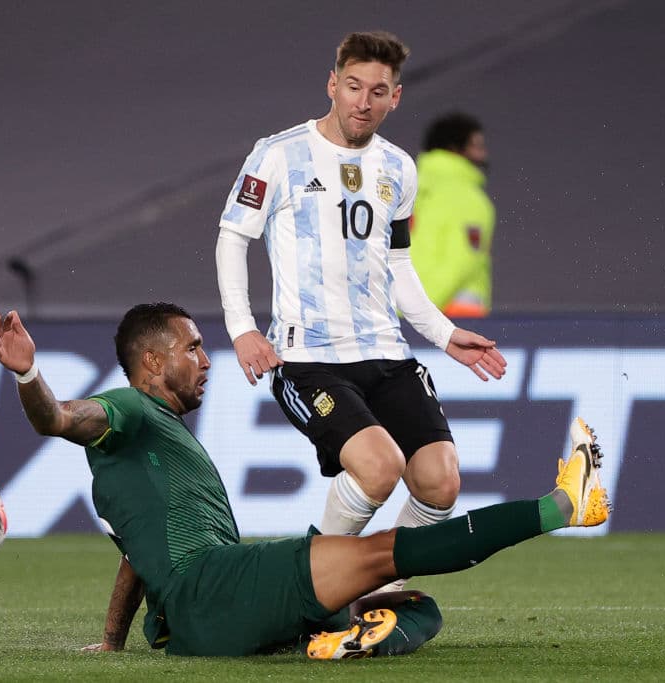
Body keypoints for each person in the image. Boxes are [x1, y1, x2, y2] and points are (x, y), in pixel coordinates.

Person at [0, 304, 609, 658]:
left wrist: (112, 642)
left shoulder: (156, 443)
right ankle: (561, 506)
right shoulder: (128, 407)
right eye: (193, 347)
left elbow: (136, 555)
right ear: (152, 360)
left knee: (415, 605)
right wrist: (27, 375)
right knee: (388, 553)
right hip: (217, 588)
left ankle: (349, 642)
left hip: (213, 610)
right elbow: (58, 418)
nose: (205, 360)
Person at [215, 31, 506, 578]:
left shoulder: (399, 168)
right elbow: (233, 237)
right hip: (310, 359)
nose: (363, 102)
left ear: (395, 97)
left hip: (386, 353)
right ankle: (309, 586)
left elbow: (398, 266)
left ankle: (376, 594)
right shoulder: (278, 154)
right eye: (353, 86)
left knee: (441, 482)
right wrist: (242, 328)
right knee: (379, 468)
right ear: (332, 85)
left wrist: (444, 334)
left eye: (378, 91)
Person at [409, 112, 495, 318]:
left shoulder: (408, 188)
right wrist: (419, 312)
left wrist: (404, 310)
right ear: (454, 148)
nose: (483, 155)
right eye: (476, 146)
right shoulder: (469, 198)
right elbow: (461, 261)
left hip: (404, 313)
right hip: (454, 318)